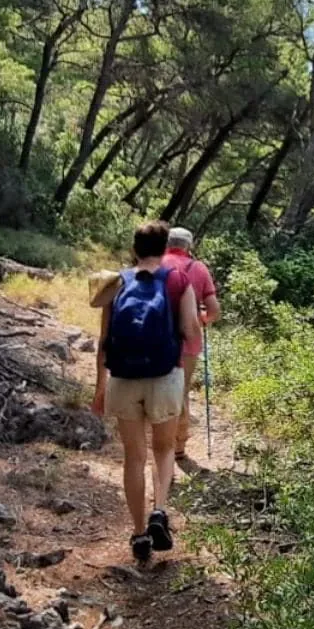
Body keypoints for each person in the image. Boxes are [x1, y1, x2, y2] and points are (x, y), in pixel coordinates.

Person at [92, 221, 202, 563]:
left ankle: (139, 535)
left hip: (124, 378)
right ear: (164, 247)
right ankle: (160, 511)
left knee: (134, 457)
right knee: (164, 448)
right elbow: (190, 330)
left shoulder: (117, 282)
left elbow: (104, 341)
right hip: (165, 376)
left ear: (134, 249)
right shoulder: (179, 280)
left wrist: (99, 387)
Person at [161, 226, 220, 462]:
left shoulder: (156, 263)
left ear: (167, 243)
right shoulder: (199, 269)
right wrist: (201, 321)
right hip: (188, 340)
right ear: (189, 246)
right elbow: (214, 310)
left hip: (156, 337)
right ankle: (178, 446)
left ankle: (156, 442)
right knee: (180, 392)